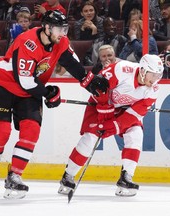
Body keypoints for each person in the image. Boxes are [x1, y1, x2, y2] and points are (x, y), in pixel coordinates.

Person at [0, 10, 109, 199]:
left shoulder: (60, 41)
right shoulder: (28, 41)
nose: (63, 33)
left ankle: (15, 176)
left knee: (31, 130)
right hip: (4, 85)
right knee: (1, 131)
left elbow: (72, 63)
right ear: (47, 28)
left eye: (65, 29)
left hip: (30, 90)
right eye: (59, 29)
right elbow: (24, 80)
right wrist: (49, 94)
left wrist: (89, 80)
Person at [58, 54, 164, 197]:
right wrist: (105, 114)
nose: (155, 79)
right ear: (143, 70)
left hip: (122, 109)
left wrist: (114, 125)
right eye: (153, 75)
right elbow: (98, 87)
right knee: (91, 138)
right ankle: (68, 176)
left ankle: (126, 177)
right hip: (99, 104)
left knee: (136, 133)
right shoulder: (122, 69)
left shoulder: (154, 89)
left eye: (159, 75)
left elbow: (134, 113)